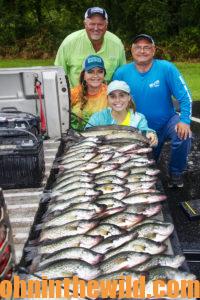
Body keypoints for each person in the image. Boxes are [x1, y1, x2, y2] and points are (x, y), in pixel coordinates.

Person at [112, 34, 192, 188]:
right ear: (132, 50)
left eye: (147, 47)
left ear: (154, 50)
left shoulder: (166, 68)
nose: (142, 51)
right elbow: (112, 102)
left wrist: (185, 120)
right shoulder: (121, 73)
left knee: (184, 134)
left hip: (167, 120)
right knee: (143, 170)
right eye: (138, 47)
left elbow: (185, 96)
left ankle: (176, 173)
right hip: (138, 127)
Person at [54, 7, 126, 87]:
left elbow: (122, 74)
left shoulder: (117, 44)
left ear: (106, 25)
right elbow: (58, 73)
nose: (96, 28)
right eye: (92, 24)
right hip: (74, 96)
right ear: (85, 24)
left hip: (107, 97)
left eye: (100, 24)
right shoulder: (69, 43)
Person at [86, 80, 158, 147]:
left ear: (129, 97)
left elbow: (145, 131)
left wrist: (151, 135)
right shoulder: (97, 117)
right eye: (112, 96)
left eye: (122, 95)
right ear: (107, 99)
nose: (117, 100)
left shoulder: (138, 118)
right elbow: (86, 136)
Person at [70, 54, 107, 131]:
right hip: (75, 137)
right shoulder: (74, 93)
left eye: (100, 71)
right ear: (83, 75)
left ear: (104, 74)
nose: (95, 75)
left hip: (101, 137)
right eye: (90, 72)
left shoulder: (110, 93)